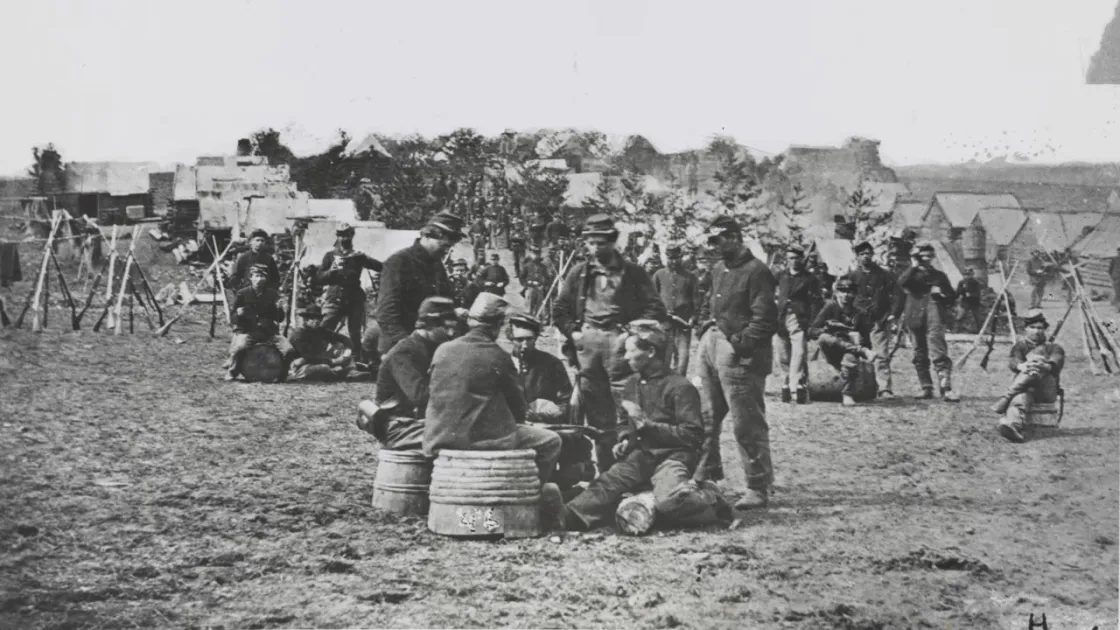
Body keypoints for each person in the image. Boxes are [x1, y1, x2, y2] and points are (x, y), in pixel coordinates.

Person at [541, 328, 731, 532]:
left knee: (668, 501)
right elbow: (624, 422)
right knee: (606, 484)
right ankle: (568, 517)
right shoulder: (632, 383)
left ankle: (711, 499)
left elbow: (693, 437)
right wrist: (624, 439)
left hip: (673, 457)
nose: (625, 357)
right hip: (641, 455)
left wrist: (648, 426)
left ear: (650, 351)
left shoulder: (680, 387)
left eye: (631, 351)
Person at [552, 214, 668, 470]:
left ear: (613, 241)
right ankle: (606, 470)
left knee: (628, 408)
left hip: (620, 347)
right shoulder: (579, 272)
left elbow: (655, 308)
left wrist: (630, 332)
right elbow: (559, 308)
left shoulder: (633, 273)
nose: (595, 248)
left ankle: (632, 469)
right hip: (588, 348)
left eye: (601, 242)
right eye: (591, 243)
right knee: (596, 413)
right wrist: (574, 332)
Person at [424, 293, 563, 483]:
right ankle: (531, 494)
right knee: (551, 441)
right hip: (477, 440)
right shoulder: (498, 356)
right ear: (497, 326)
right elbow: (519, 409)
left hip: (437, 435)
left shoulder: (443, 349)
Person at [695, 216, 778, 509]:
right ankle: (706, 475)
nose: (712, 246)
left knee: (747, 423)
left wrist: (739, 344)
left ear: (733, 237)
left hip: (740, 354)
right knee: (705, 416)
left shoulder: (757, 272)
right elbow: (709, 301)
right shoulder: (719, 268)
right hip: (711, 345)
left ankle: (758, 485)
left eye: (717, 240)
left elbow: (765, 319)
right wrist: (705, 327)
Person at [358, 297, 461, 450]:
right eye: (446, 328)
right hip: (398, 425)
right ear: (429, 326)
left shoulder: (432, 346)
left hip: (419, 422)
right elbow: (420, 396)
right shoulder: (405, 352)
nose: (451, 333)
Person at [375, 211, 462, 354]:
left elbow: (447, 299)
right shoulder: (398, 262)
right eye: (444, 245)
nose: (447, 250)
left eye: (450, 246)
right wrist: (410, 346)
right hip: (400, 348)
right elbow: (386, 314)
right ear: (427, 235)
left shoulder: (436, 264)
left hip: (427, 345)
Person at [991, 310, 1065, 443]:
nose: (1036, 331)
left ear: (1045, 330)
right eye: (1032, 327)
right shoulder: (1019, 347)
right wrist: (1023, 366)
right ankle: (1013, 427)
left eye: (1040, 328)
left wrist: (1042, 365)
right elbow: (1014, 362)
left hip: (1046, 390)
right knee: (1020, 398)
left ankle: (1006, 398)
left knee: (1036, 364)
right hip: (1026, 390)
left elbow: (1055, 364)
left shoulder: (1054, 347)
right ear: (1026, 329)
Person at [898, 244, 959, 401]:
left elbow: (952, 297)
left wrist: (942, 295)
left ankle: (946, 388)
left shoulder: (939, 276)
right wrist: (913, 266)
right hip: (915, 315)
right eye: (923, 256)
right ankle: (926, 387)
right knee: (919, 352)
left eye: (929, 256)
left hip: (934, 315)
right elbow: (901, 283)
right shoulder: (910, 274)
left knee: (938, 350)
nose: (927, 259)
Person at [316, 223, 384, 365]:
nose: (343, 238)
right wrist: (330, 272)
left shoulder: (357, 256)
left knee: (355, 332)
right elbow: (318, 278)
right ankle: (317, 356)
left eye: (346, 234)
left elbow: (379, 267)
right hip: (335, 297)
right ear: (337, 236)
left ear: (352, 236)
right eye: (340, 235)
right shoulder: (330, 256)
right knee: (325, 328)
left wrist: (364, 258)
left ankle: (356, 361)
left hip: (354, 298)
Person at [808, 276, 877, 407]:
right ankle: (858, 350)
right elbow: (811, 330)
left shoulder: (859, 314)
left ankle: (847, 394)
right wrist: (825, 329)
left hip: (848, 350)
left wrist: (859, 340)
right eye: (842, 292)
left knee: (850, 358)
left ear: (855, 294)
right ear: (837, 293)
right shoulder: (829, 308)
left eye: (850, 292)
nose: (846, 295)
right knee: (824, 337)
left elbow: (867, 341)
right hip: (830, 348)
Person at [849, 241, 901, 399]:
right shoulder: (852, 275)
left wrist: (893, 313)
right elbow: (842, 295)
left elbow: (898, 293)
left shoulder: (883, 274)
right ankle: (856, 386)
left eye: (868, 253)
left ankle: (884, 388)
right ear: (857, 257)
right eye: (862, 254)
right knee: (856, 353)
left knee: (881, 354)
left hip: (879, 319)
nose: (866, 257)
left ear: (872, 255)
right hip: (857, 320)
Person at [225, 265, 296, 382]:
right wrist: (238, 314)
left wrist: (279, 309)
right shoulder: (243, 294)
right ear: (251, 278)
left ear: (266, 279)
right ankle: (232, 372)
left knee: (288, 350)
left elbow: (279, 319)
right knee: (240, 348)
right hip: (249, 330)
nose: (259, 279)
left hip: (269, 331)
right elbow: (232, 318)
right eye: (256, 276)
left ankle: (282, 375)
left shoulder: (272, 294)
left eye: (262, 276)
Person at [773, 245, 821, 403]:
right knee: (781, 353)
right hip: (780, 318)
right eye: (790, 258)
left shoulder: (809, 278)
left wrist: (813, 323)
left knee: (799, 353)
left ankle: (797, 386)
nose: (793, 261)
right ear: (786, 260)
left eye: (796, 258)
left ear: (802, 259)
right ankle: (787, 381)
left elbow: (816, 301)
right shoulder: (781, 276)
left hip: (799, 318)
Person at [508, 313, 573, 423]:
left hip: (544, 424)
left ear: (536, 338)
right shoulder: (503, 364)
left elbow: (565, 401)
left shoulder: (551, 364)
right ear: (510, 339)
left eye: (529, 339)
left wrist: (542, 415)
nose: (524, 345)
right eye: (519, 340)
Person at [652, 246, 700, 376]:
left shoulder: (690, 277)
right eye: (670, 258)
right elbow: (652, 298)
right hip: (664, 324)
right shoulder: (659, 275)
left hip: (683, 324)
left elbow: (696, 299)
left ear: (681, 257)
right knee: (663, 359)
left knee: (682, 360)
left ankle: (679, 388)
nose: (673, 262)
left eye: (676, 258)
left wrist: (693, 318)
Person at [287, 304, 354, 381]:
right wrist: (332, 361)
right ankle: (340, 372)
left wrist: (348, 350)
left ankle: (351, 370)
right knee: (324, 368)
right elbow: (309, 356)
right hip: (302, 366)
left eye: (319, 318)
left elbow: (344, 339)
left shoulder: (320, 330)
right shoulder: (298, 334)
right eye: (312, 318)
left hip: (319, 360)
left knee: (340, 345)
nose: (316, 321)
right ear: (306, 320)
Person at [519, 247, 552, 316]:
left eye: (537, 254)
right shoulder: (527, 266)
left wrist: (542, 284)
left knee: (539, 308)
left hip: (539, 289)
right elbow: (522, 277)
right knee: (528, 308)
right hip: (530, 288)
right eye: (534, 254)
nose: (536, 256)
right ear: (531, 254)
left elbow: (548, 278)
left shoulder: (543, 266)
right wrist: (527, 284)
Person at [955, 267, 983, 333]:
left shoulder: (975, 282)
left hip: (974, 302)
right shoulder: (961, 282)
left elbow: (978, 293)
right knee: (960, 317)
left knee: (977, 318)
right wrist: (962, 288)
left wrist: (971, 295)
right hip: (965, 302)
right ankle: (956, 330)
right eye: (966, 274)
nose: (967, 276)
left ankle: (980, 331)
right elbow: (957, 294)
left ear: (972, 274)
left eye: (969, 274)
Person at [1110, 246, 1120, 312]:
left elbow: (1110, 269)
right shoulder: (1114, 259)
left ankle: (1118, 308)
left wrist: (1112, 276)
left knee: (1117, 293)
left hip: (1116, 277)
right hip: (1116, 277)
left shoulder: (1114, 259)